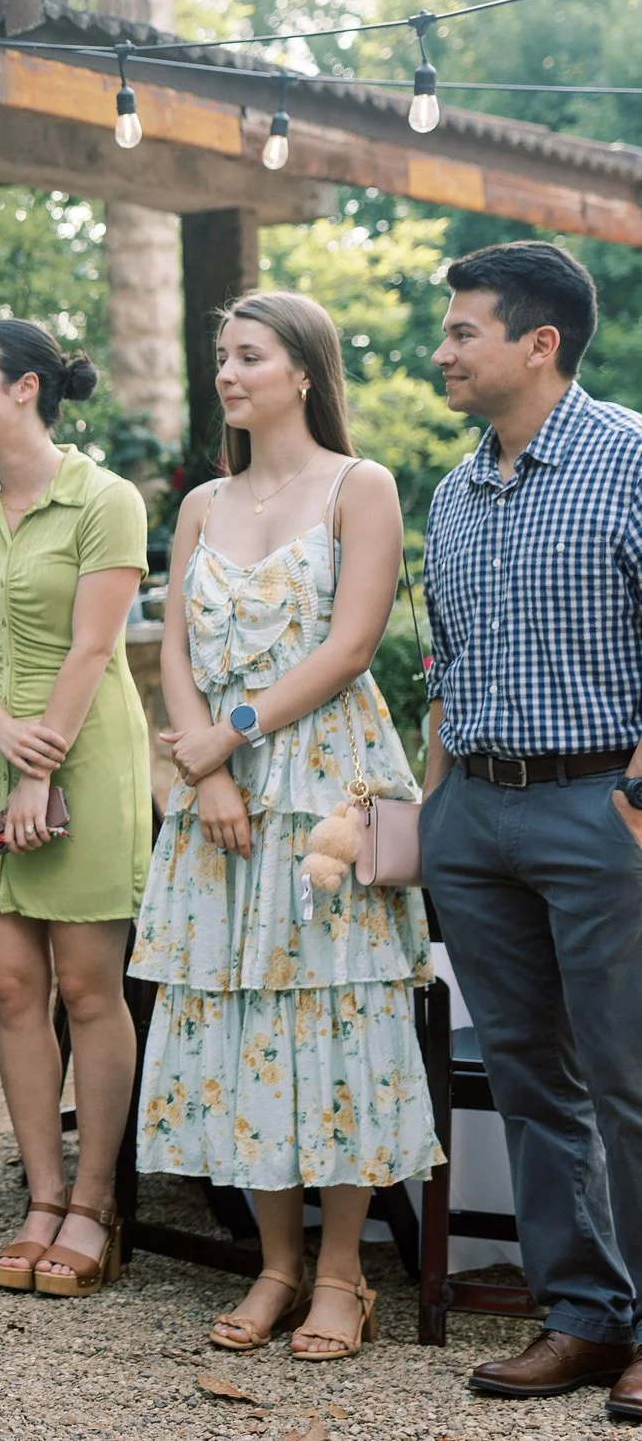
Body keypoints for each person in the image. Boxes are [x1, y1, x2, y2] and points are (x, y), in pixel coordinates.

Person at [131, 292, 437, 1358]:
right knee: (240, 1020)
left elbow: (352, 644)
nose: (228, 371)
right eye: (220, 355)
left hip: (326, 791)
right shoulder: (200, 502)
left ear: (302, 369)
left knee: (335, 1015)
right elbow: (169, 645)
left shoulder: (362, 487)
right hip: (218, 793)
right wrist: (201, 764)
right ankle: (275, 1262)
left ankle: (344, 1273)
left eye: (248, 354)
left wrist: (237, 733)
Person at [417, 241, 642, 1414]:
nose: (441, 350)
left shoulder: (632, 457)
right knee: (530, 1082)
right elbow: (443, 660)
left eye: (461, 331)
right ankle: (586, 1316)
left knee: (630, 1077)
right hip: (476, 816)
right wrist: (432, 805)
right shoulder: (454, 490)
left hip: (600, 805)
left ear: (537, 342)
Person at [0, 320, 148, 1299]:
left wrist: (39, 762)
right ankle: (41, 1195)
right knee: (13, 987)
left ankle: (95, 1204)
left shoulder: (106, 499)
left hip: (85, 753)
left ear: (23, 387)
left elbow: (92, 650)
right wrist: (1, 740)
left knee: (88, 987)